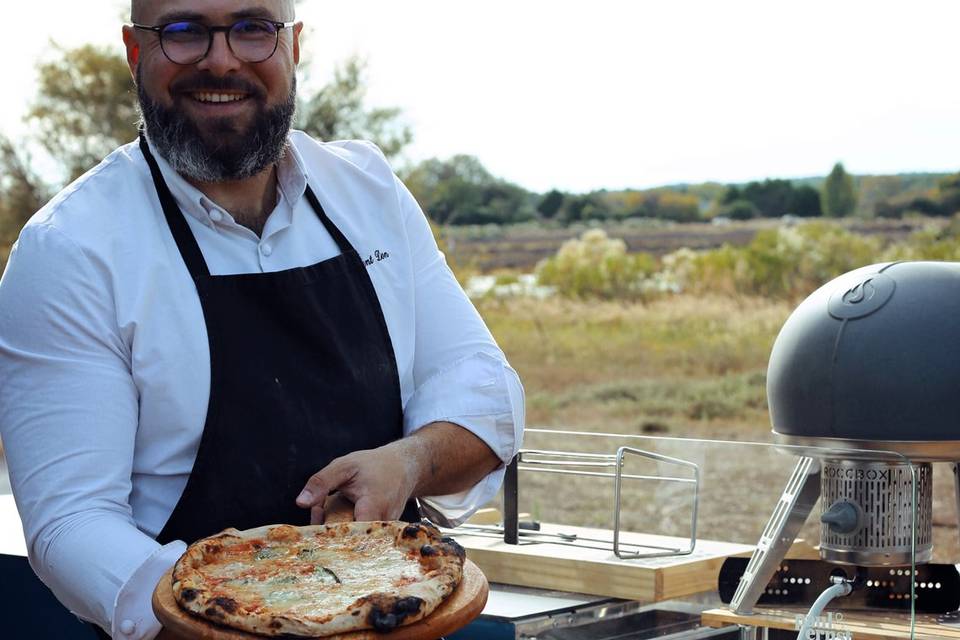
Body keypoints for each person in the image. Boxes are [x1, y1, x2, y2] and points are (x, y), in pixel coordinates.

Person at [0, 1, 524, 638]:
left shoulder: (368, 189)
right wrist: (245, 608)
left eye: (253, 29)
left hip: (389, 598)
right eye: (184, 32)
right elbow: (71, 524)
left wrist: (410, 461)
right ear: (136, 53)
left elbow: (482, 388)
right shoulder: (71, 248)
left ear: (293, 46)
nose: (221, 60)